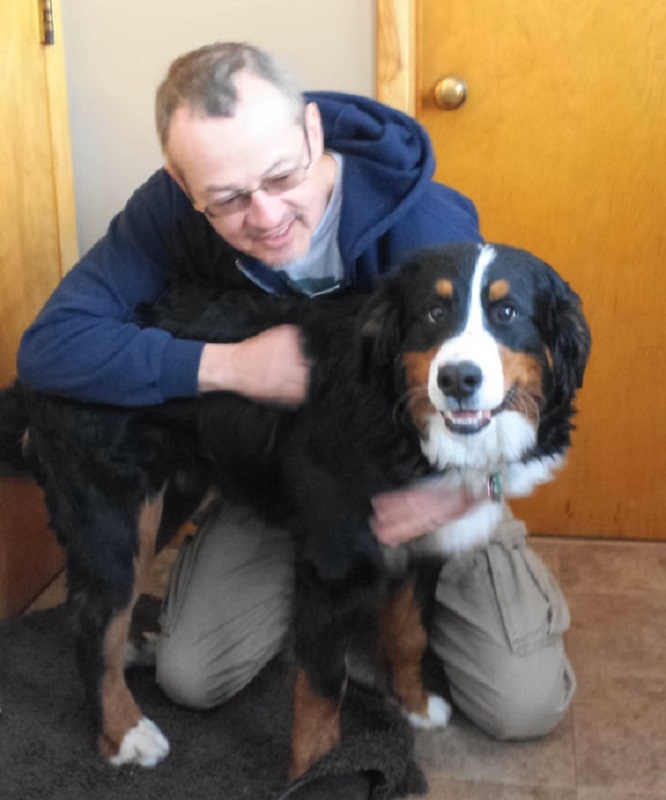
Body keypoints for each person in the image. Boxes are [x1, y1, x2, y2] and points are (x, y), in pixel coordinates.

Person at [18, 42, 575, 797]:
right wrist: (229, 365)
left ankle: (390, 646)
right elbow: (51, 347)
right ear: (185, 186)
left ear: (314, 133)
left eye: (282, 176)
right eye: (228, 199)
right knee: (192, 674)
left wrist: (458, 497)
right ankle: (324, 634)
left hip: (454, 471)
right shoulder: (168, 209)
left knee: (523, 701)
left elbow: (503, 404)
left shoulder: (427, 227)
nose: (268, 215)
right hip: (287, 472)